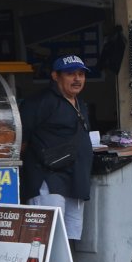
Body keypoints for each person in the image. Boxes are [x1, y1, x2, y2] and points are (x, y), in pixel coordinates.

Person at [19, 54, 96, 242]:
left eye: (81, 74)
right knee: (45, 237)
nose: (77, 79)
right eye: (70, 74)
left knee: (68, 237)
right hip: (48, 181)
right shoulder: (39, 102)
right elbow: (20, 140)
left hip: (76, 181)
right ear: (56, 76)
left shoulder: (80, 104)